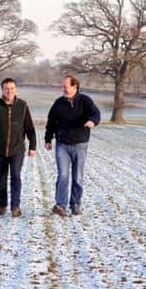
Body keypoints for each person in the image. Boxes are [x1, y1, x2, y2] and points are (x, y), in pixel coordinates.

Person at [45, 74, 100, 217]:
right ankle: (60, 205)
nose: (63, 89)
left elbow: (96, 113)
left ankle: (75, 205)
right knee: (62, 175)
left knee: (77, 177)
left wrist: (92, 121)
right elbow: (51, 122)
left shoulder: (85, 101)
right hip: (62, 145)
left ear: (75, 87)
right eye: (62, 86)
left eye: (65, 86)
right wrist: (48, 139)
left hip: (80, 144)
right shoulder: (58, 103)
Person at [0, 78, 36, 217]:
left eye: (12, 88)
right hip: (0, 149)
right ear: (2, 90)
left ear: (15, 89)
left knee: (16, 177)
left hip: (17, 149)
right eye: (6, 88)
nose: (9, 91)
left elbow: (30, 128)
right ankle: (2, 205)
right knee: (1, 179)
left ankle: (15, 207)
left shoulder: (23, 106)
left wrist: (33, 146)